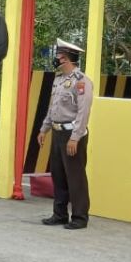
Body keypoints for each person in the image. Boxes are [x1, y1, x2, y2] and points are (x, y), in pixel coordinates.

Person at [38, 40, 93, 230]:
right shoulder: (59, 79)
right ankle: (59, 214)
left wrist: (75, 137)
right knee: (58, 175)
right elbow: (53, 107)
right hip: (57, 131)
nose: (56, 60)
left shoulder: (81, 81)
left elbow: (83, 112)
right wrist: (44, 129)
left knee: (75, 176)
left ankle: (79, 217)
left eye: (59, 57)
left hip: (72, 133)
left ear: (66, 59)